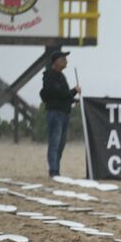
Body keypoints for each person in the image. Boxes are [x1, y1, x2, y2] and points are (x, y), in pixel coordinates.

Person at [40, 50, 81, 178]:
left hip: (64, 113)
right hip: (55, 113)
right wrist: (74, 91)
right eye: (63, 59)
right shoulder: (49, 76)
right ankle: (53, 170)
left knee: (61, 144)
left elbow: (63, 96)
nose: (66, 61)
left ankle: (56, 168)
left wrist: (73, 99)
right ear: (56, 61)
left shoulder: (61, 77)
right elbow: (58, 94)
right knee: (55, 142)